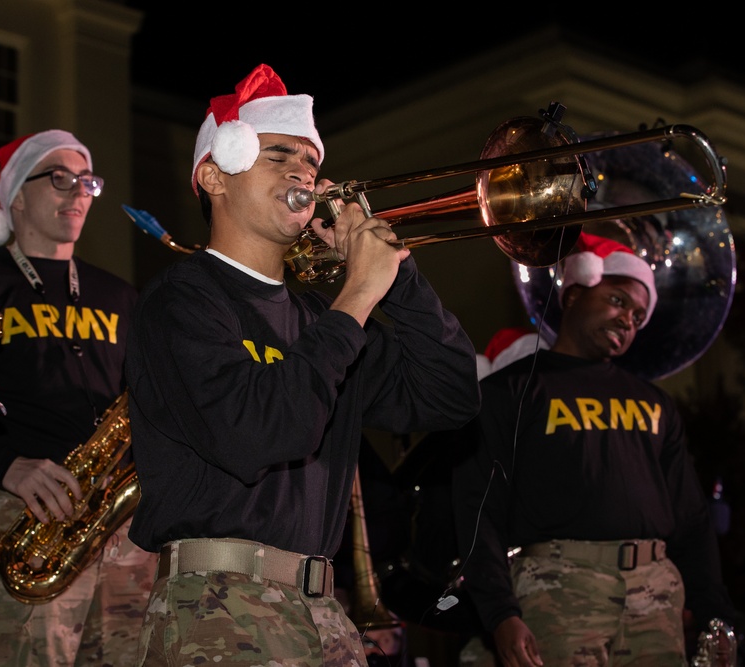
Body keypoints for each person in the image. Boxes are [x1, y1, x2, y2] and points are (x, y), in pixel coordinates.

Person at [124, 62, 481, 666]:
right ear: (214, 173)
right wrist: (357, 298)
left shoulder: (319, 318)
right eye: (279, 155)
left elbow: (451, 393)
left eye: (312, 162)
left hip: (321, 609)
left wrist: (398, 277)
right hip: (217, 608)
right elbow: (260, 434)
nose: (304, 173)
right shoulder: (180, 301)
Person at [451, 232, 740, 666]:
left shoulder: (656, 403)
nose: (629, 320)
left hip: (657, 597)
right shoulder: (510, 390)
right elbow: (477, 508)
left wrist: (715, 613)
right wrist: (500, 613)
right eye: (619, 301)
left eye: (639, 317)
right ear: (574, 293)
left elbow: (692, 518)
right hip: (557, 589)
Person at [0, 129, 158, 665]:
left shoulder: (120, 294)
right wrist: (7, 467)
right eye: (59, 178)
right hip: (24, 519)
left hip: (120, 527)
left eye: (86, 181)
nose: (78, 192)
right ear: (16, 195)